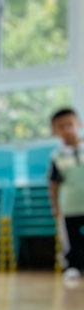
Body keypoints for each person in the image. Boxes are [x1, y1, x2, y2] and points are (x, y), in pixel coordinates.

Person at [48, 107, 84, 285]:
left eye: (70, 124)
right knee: (71, 237)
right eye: (61, 127)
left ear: (79, 124)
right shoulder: (57, 156)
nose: (67, 129)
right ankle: (73, 266)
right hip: (70, 204)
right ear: (55, 131)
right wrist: (55, 205)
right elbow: (54, 183)